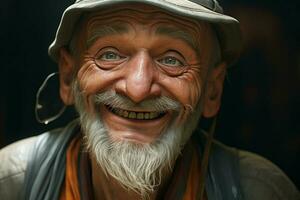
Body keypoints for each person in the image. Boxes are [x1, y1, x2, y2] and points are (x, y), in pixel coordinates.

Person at [0, 0, 299, 199]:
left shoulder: (260, 190)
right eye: (110, 55)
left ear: (212, 90)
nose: (138, 88)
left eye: (172, 59)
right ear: (68, 77)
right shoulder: (10, 183)